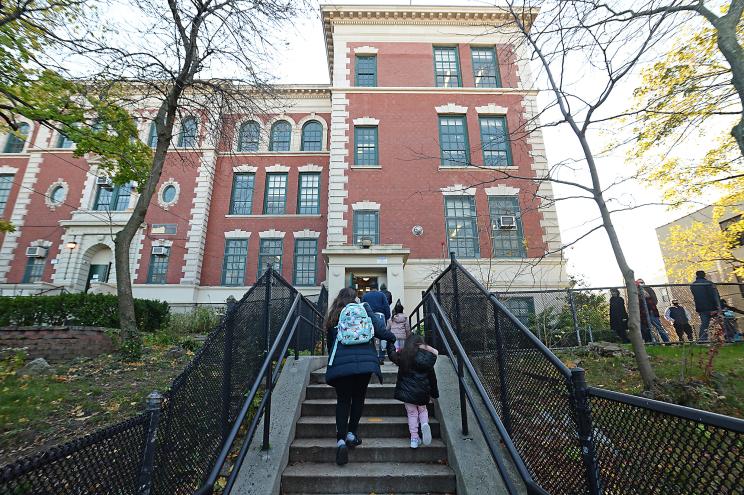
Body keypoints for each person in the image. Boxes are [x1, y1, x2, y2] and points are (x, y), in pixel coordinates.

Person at [324, 287, 396, 466]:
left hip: (341, 363)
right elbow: (379, 331)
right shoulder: (363, 309)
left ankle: (340, 440)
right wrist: (393, 338)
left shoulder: (334, 315)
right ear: (354, 298)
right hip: (365, 363)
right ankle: (352, 434)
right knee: (358, 398)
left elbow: (330, 343)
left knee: (343, 400)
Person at [387, 334, 439, 449]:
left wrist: (390, 342)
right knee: (422, 410)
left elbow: (391, 355)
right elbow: (432, 378)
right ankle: (424, 424)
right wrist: (434, 394)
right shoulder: (428, 358)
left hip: (407, 392)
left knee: (412, 414)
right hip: (422, 391)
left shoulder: (403, 355)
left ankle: (414, 439)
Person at [362, 287, 392, 365]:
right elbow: (386, 306)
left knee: (370, 337)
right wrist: (387, 316)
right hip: (380, 316)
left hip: (368, 317)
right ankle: (381, 358)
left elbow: (361, 306)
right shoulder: (381, 295)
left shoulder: (365, 296)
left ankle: (373, 357)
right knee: (382, 337)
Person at [690, 270, 721, 341]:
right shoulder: (709, 283)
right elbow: (715, 295)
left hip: (701, 308)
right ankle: (729, 336)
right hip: (712, 307)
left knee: (704, 324)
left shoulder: (693, 285)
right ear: (704, 275)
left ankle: (702, 339)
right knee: (722, 321)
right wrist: (718, 306)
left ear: (696, 276)